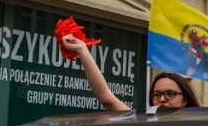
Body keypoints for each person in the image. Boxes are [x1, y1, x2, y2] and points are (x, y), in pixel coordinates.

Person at [61, 34, 200, 111]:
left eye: (170, 94)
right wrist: (82, 50)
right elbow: (107, 100)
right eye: (156, 94)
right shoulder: (145, 125)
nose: (162, 99)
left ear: (185, 100)